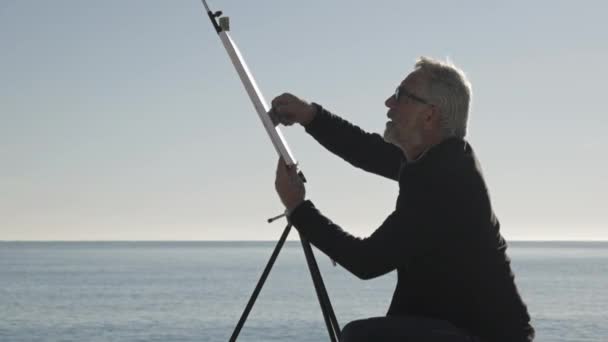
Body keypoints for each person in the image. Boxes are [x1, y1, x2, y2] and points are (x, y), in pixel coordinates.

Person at [270, 56, 534, 342]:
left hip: (482, 337)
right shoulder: (435, 157)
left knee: (362, 337)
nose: (388, 103)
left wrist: (298, 208)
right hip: (452, 327)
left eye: (400, 96)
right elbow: (365, 150)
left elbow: (366, 261)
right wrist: (310, 115)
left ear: (429, 115)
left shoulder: (444, 181)